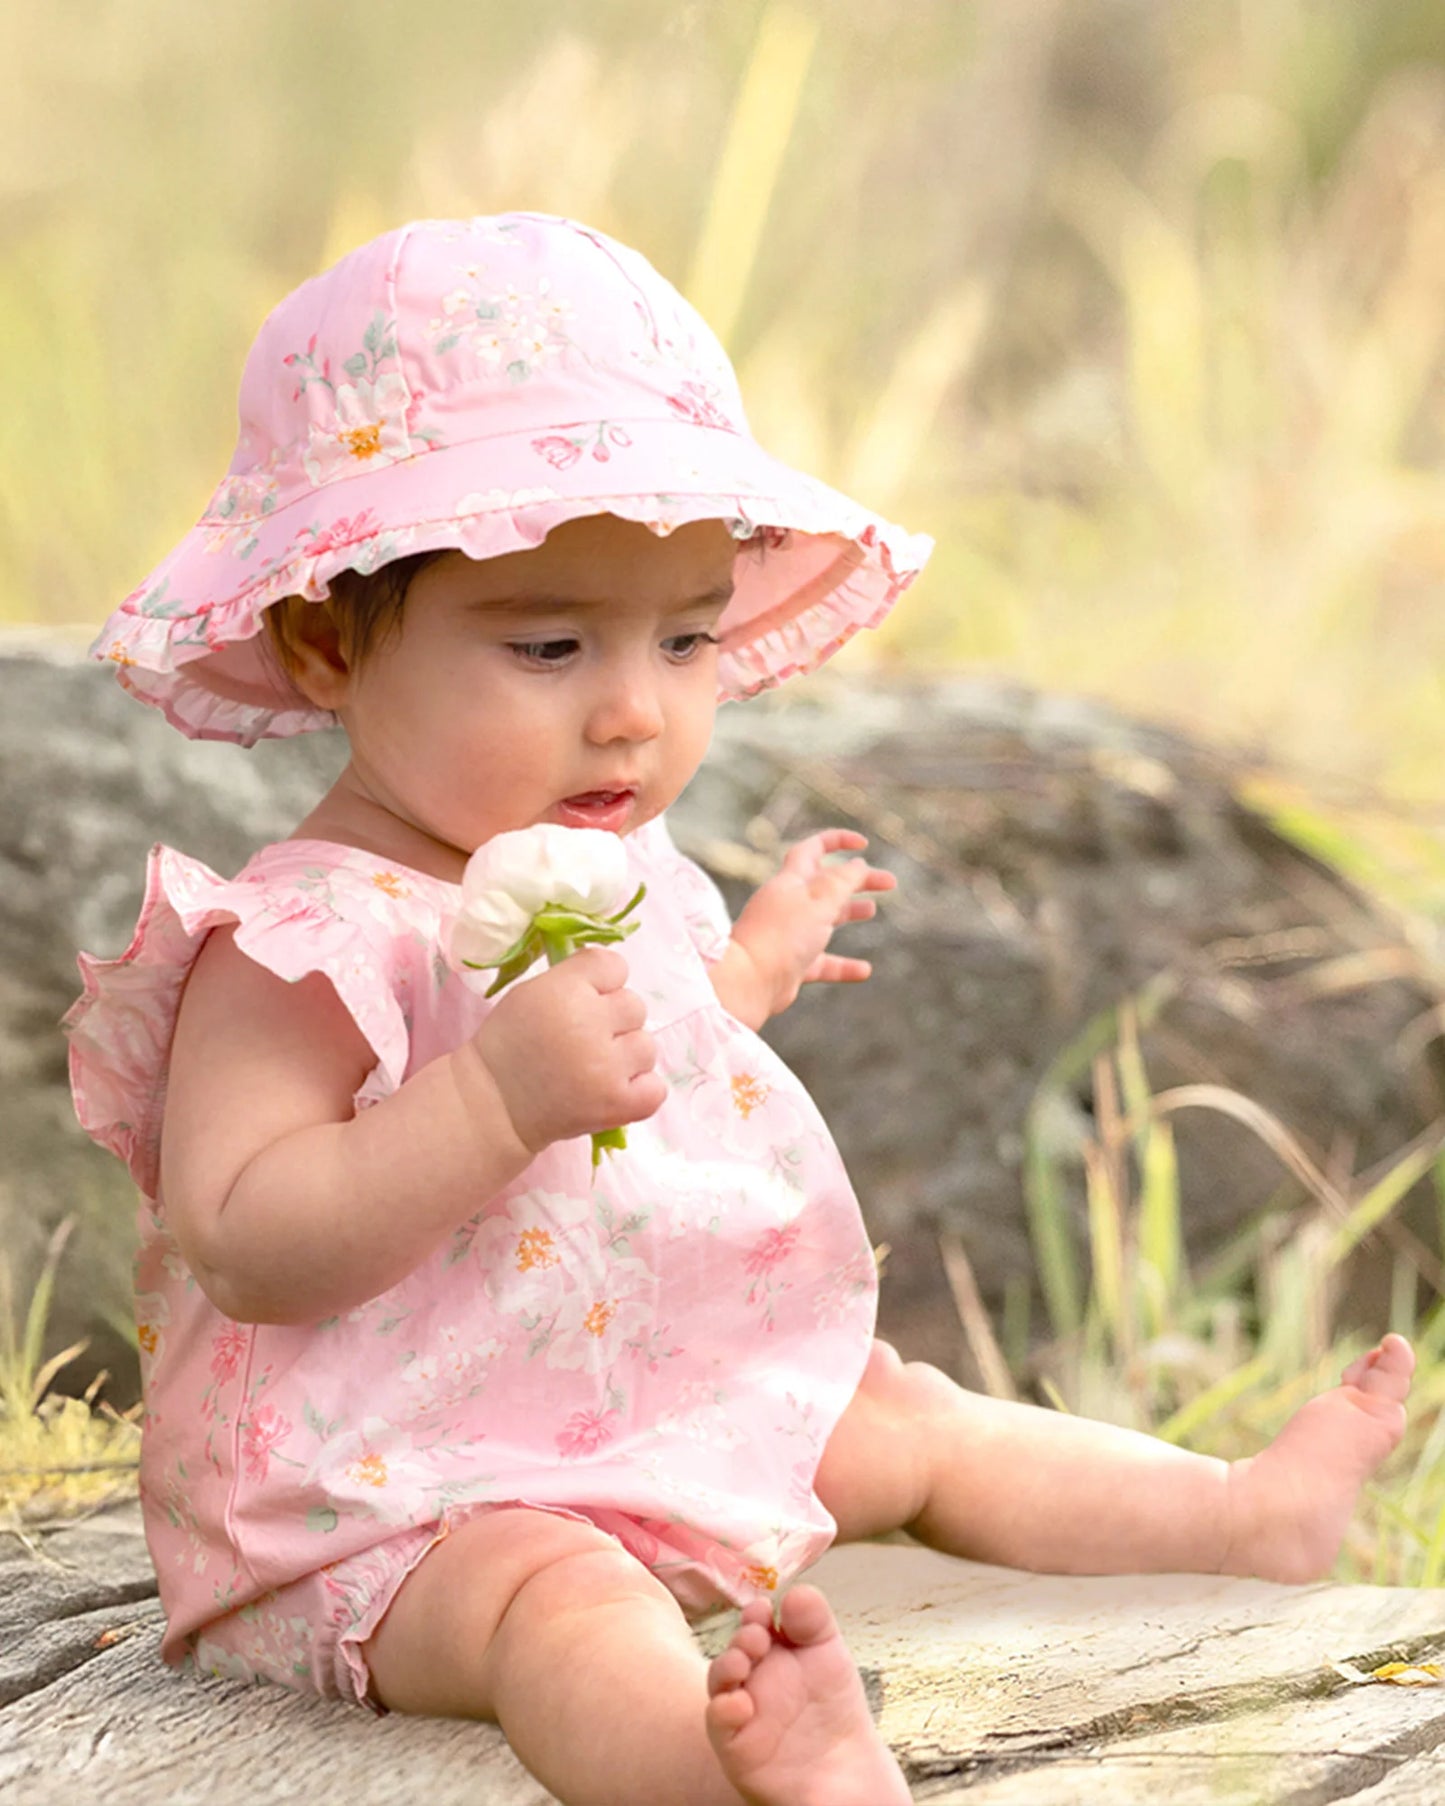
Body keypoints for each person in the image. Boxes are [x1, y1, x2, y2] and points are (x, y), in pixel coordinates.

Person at [67, 213, 1413, 1806]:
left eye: (688, 636)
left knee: (895, 1415)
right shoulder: (301, 940)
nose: (635, 707)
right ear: (323, 640)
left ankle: (1238, 1512)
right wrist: (486, 1102)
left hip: (630, 1401)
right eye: (549, 644)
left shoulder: (606, 865)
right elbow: (245, 1234)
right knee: (554, 1602)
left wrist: (740, 980)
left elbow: (644, 1060)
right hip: (385, 1500)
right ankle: (722, 1770)